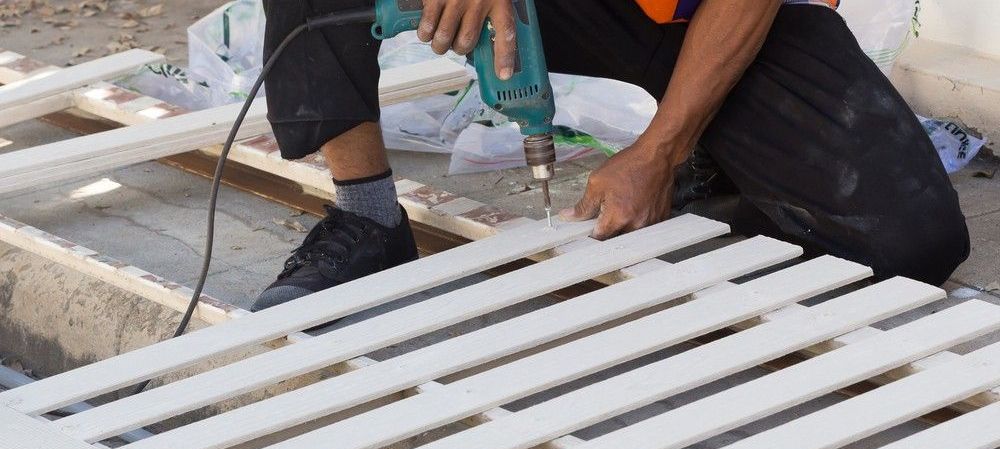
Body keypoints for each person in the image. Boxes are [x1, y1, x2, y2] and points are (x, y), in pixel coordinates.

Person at [252, 0, 970, 311]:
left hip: (724, 20)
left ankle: (710, 156)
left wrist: (660, 150)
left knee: (911, 239)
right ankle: (369, 217)